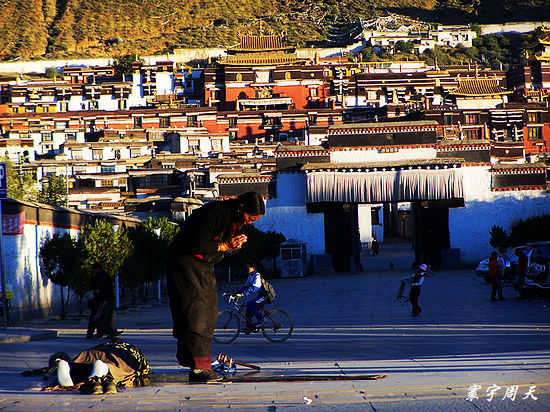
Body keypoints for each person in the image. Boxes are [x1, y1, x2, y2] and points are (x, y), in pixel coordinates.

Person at [166, 191, 265, 383]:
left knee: (208, 312)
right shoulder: (216, 213)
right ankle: (198, 369)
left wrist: (230, 247)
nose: (249, 223)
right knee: (197, 312)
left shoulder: (233, 219)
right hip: (185, 264)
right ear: (242, 206)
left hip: (201, 267)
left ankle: (194, 362)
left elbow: (218, 247)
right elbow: (196, 243)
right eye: (250, 218)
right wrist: (223, 247)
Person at [86, 263, 120, 340]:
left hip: (107, 300)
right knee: (97, 317)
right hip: (99, 299)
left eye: (96, 269)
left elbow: (106, 289)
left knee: (105, 317)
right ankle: (94, 333)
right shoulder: (97, 276)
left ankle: (105, 333)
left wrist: (102, 296)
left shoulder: (105, 276)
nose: (95, 271)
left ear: (99, 269)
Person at [232, 262, 269, 334]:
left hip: (265, 296)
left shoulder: (257, 276)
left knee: (250, 304)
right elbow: (245, 287)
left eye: (248, 267)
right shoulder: (250, 276)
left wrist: (243, 294)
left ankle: (262, 319)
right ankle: (248, 327)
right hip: (260, 296)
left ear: (253, 268)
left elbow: (254, 288)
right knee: (248, 308)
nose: (247, 268)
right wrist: (235, 294)